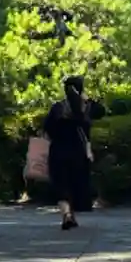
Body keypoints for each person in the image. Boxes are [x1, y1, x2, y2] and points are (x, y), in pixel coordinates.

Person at [43, 75, 102, 230]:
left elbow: (47, 128)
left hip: (58, 150)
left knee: (61, 184)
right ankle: (72, 215)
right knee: (75, 184)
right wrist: (87, 99)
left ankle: (67, 214)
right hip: (79, 152)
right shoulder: (86, 107)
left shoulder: (58, 108)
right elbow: (102, 111)